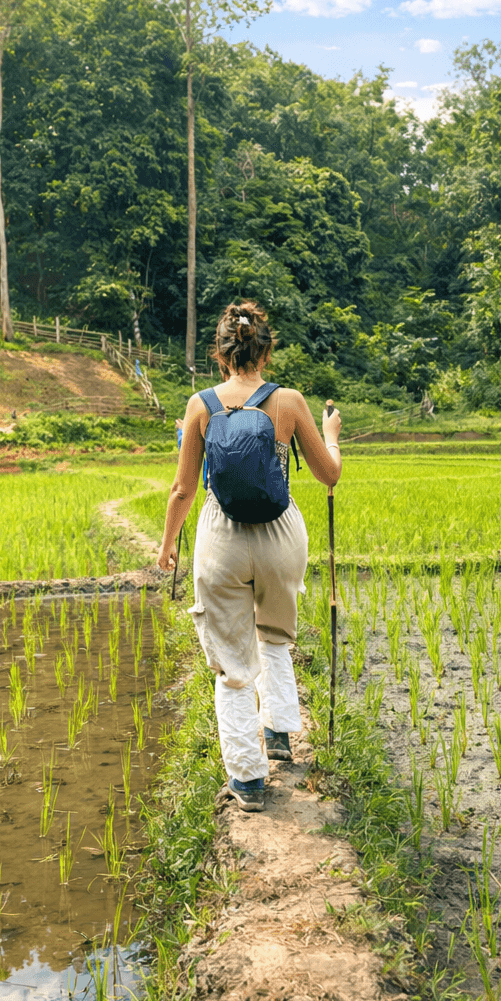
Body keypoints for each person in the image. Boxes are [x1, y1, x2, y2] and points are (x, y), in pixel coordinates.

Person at [157, 301, 342, 812]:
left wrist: (168, 543)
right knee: (275, 635)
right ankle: (279, 731)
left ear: (220, 354)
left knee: (233, 665)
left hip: (222, 537)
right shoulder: (290, 401)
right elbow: (329, 474)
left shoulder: (200, 405)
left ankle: (247, 780)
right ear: (266, 350)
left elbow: (182, 489)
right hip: (282, 536)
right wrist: (330, 436)